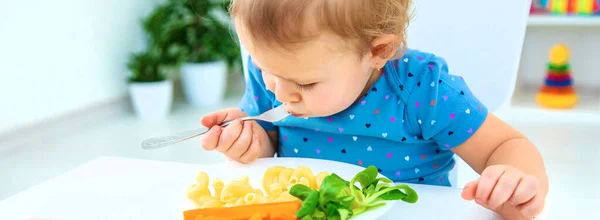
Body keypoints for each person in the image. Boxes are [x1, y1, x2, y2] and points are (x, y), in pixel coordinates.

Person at [199, 0, 548, 219]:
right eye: (264, 69)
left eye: (304, 84)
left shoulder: (421, 89)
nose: (280, 92)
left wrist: (514, 183)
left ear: (377, 52)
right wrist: (249, 140)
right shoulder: (278, 76)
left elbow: (504, 146)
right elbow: (269, 141)